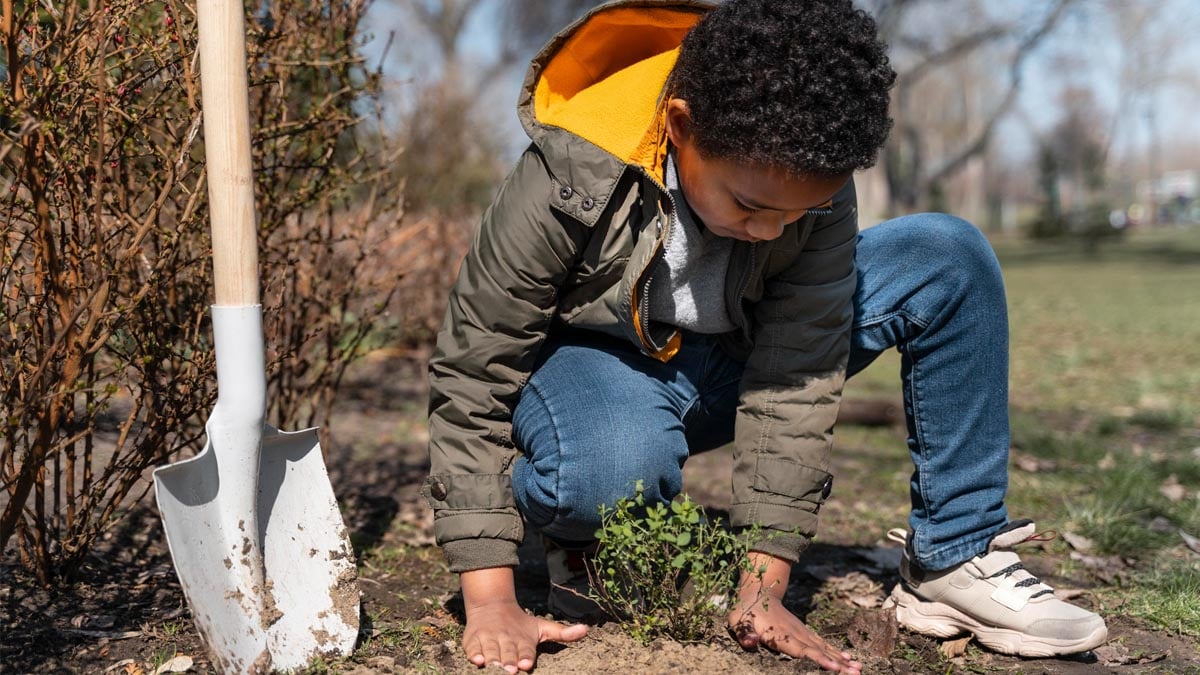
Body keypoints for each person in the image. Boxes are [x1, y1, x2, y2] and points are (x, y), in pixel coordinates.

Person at [422, 1, 1108, 672]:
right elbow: (474, 368)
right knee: (603, 469)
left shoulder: (809, 174)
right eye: (749, 205)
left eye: (798, 212)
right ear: (680, 125)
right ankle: (583, 528)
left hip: (737, 358)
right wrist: (488, 595)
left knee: (946, 258)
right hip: (603, 368)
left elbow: (796, 372)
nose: (772, 231)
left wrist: (762, 584)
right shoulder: (571, 168)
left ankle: (956, 553)